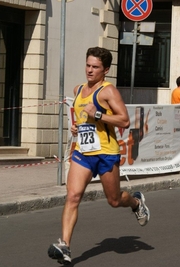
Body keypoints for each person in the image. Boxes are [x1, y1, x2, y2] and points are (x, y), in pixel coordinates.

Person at [47, 47, 150, 265]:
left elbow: (124, 121)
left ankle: (135, 203)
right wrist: (77, 128)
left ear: (106, 70)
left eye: (95, 67)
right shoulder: (78, 89)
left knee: (114, 200)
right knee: (73, 196)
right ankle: (64, 245)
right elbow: (82, 119)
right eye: (88, 65)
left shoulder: (108, 91)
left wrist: (100, 114)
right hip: (83, 153)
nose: (90, 70)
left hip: (106, 153)